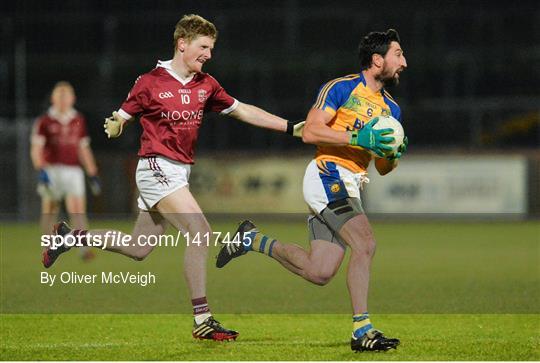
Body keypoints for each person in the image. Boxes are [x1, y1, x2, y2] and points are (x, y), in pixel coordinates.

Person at [41, 14, 302, 341]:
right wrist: (116, 123)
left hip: (178, 172)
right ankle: (202, 319)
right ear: (182, 44)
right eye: (203, 46)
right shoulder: (150, 81)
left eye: (211, 48)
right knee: (200, 231)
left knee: (138, 248)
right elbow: (122, 114)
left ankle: (70, 237)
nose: (209, 54)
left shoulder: (205, 85)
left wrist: (289, 126)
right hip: (155, 167)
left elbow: (243, 109)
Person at [216, 29, 408, 352]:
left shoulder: (392, 110)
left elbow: (382, 166)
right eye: (398, 54)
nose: (404, 62)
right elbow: (312, 131)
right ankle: (362, 330)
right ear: (377, 60)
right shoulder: (342, 88)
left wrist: (392, 155)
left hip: (352, 183)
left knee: (319, 271)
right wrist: (358, 139)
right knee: (366, 243)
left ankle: (251, 239)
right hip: (327, 173)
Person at [31, 81, 101, 262]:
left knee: (78, 211)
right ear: (53, 99)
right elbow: (36, 148)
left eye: (66, 96)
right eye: (59, 96)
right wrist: (40, 167)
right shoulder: (45, 121)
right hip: (51, 170)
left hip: (73, 171)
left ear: (72, 99)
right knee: (50, 210)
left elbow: (83, 148)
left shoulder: (78, 119)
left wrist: (92, 171)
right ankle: (48, 249)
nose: (63, 100)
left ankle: (84, 250)